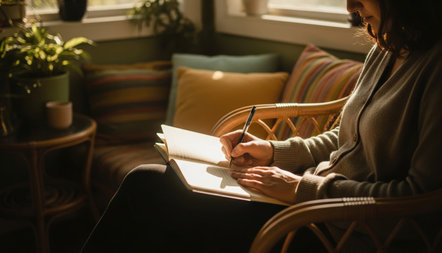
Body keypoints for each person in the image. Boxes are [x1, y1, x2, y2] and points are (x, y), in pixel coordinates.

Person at [81, 0, 442, 252]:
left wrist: (302, 189)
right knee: (151, 183)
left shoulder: (435, 69)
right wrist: (274, 151)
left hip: (342, 234)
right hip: (303, 208)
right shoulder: (387, 47)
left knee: (155, 199)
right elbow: (348, 139)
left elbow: (420, 199)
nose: (349, 6)